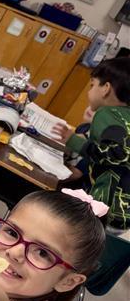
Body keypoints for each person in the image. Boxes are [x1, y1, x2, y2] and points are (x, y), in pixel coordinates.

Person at [52, 57, 130, 232]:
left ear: (106, 89)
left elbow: (116, 154)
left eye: (92, 85)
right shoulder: (124, 117)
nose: (89, 92)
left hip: (105, 207)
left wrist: (74, 141)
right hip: (122, 211)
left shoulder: (107, 114)